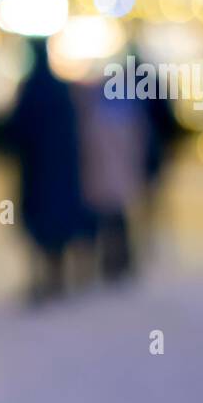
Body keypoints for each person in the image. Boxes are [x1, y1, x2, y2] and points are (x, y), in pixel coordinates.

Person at [5, 39, 93, 303]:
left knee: (41, 223)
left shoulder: (31, 89)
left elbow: (18, 130)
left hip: (37, 169)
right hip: (58, 168)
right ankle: (57, 274)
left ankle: (47, 276)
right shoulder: (60, 89)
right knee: (57, 222)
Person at [73, 81, 148, 282]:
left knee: (112, 218)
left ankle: (115, 262)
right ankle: (116, 262)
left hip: (108, 174)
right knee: (114, 217)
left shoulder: (103, 114)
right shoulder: (123, 111)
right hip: (113, 174)